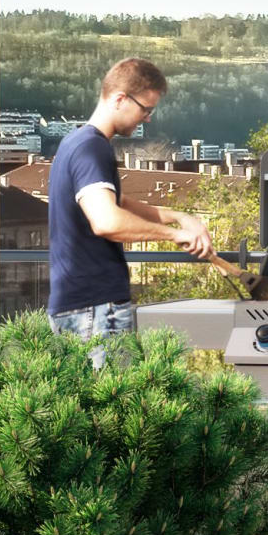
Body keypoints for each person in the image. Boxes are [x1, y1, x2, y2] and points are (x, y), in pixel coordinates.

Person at [47, 57, 209, 342]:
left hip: (77, 305)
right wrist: (174, 235)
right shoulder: (91, 148)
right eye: (145, 109)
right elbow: (107, 221)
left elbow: (117, 203)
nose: (147, 118)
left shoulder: (74, 143)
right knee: (117, 388)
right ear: (120, 99)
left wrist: (180, 217)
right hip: (95, 308)